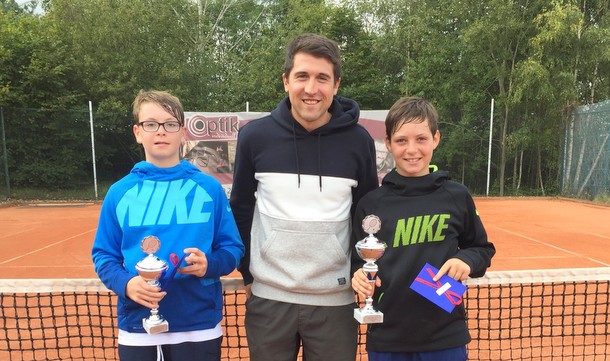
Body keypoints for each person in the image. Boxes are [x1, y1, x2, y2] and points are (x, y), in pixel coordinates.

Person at [229, 33, 379, 361]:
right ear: (286, 81)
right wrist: (248, 273)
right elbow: (240, 207)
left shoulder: (359, 141)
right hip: (269, 300)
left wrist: (358, 269)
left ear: (336, 85)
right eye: (302, 76)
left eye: (322, 78)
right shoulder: (254, 137)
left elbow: (368, 216)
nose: (311, 89)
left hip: (336, 303)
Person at [91, 90, 245, 361]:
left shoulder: (209, 188)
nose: (161, 131)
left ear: (183, 133)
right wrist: (127, 285)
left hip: (199, 327)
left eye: (170, 124)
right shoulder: (119, 193)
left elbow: (232, 248)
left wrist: (210, 264)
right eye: (151, 124)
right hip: (138, 327)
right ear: (138, 132)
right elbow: (103, 255)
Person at [351, 96, 496, 361]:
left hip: (445, 336)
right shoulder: (371, 204)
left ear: (436, 139)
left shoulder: (456, 195)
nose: (411, 149)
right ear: (388, 144)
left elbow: (482, 249)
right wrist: (358, 275)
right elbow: (356, 260)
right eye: (401, 140)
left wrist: (465, 260)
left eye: (421, 139)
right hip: (386, 338)